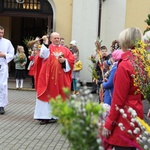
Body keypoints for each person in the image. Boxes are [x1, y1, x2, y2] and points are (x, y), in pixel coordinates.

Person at [102, 27, 144, 150]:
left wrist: (109, 124)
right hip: (138, 110)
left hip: (124, 116)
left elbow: (118, 99)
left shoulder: (125, 64)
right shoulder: (143, 62)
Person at [34, 32, 75, 125]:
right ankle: (44, 117)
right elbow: (42, 55)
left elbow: (72, 60)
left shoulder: (65, 50)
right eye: (55, 38)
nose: (57, 40)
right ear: (51, 39)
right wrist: (45, 43)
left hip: (60, 78)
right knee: (46, 95)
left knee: (59, 96)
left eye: (58, 38)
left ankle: (55, 116)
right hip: (48, 78)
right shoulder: (48, 48)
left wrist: (64, 61)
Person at [0, 25, 14, 114]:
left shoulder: (7, 42)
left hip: (2, 66)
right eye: (0, 32)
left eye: (2, 32)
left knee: (2, 86)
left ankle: (1, 105)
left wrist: (4, 55)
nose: (1, 34)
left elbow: (12, 54)